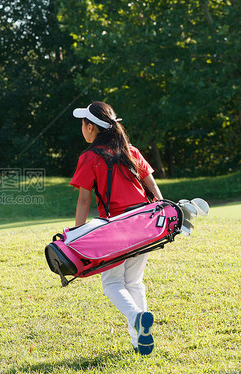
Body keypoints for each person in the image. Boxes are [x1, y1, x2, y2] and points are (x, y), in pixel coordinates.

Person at [70, 101, 163, 355]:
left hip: (115, 229)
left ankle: (135, 319)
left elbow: (84, 200)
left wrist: (78, 236)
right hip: (144, 225)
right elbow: (154, 189)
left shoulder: (89, 157)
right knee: (134, 282)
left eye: (82, 124)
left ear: (90, 128)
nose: (82, 128)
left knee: (111, 284)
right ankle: (139, 341)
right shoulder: (131, 150)